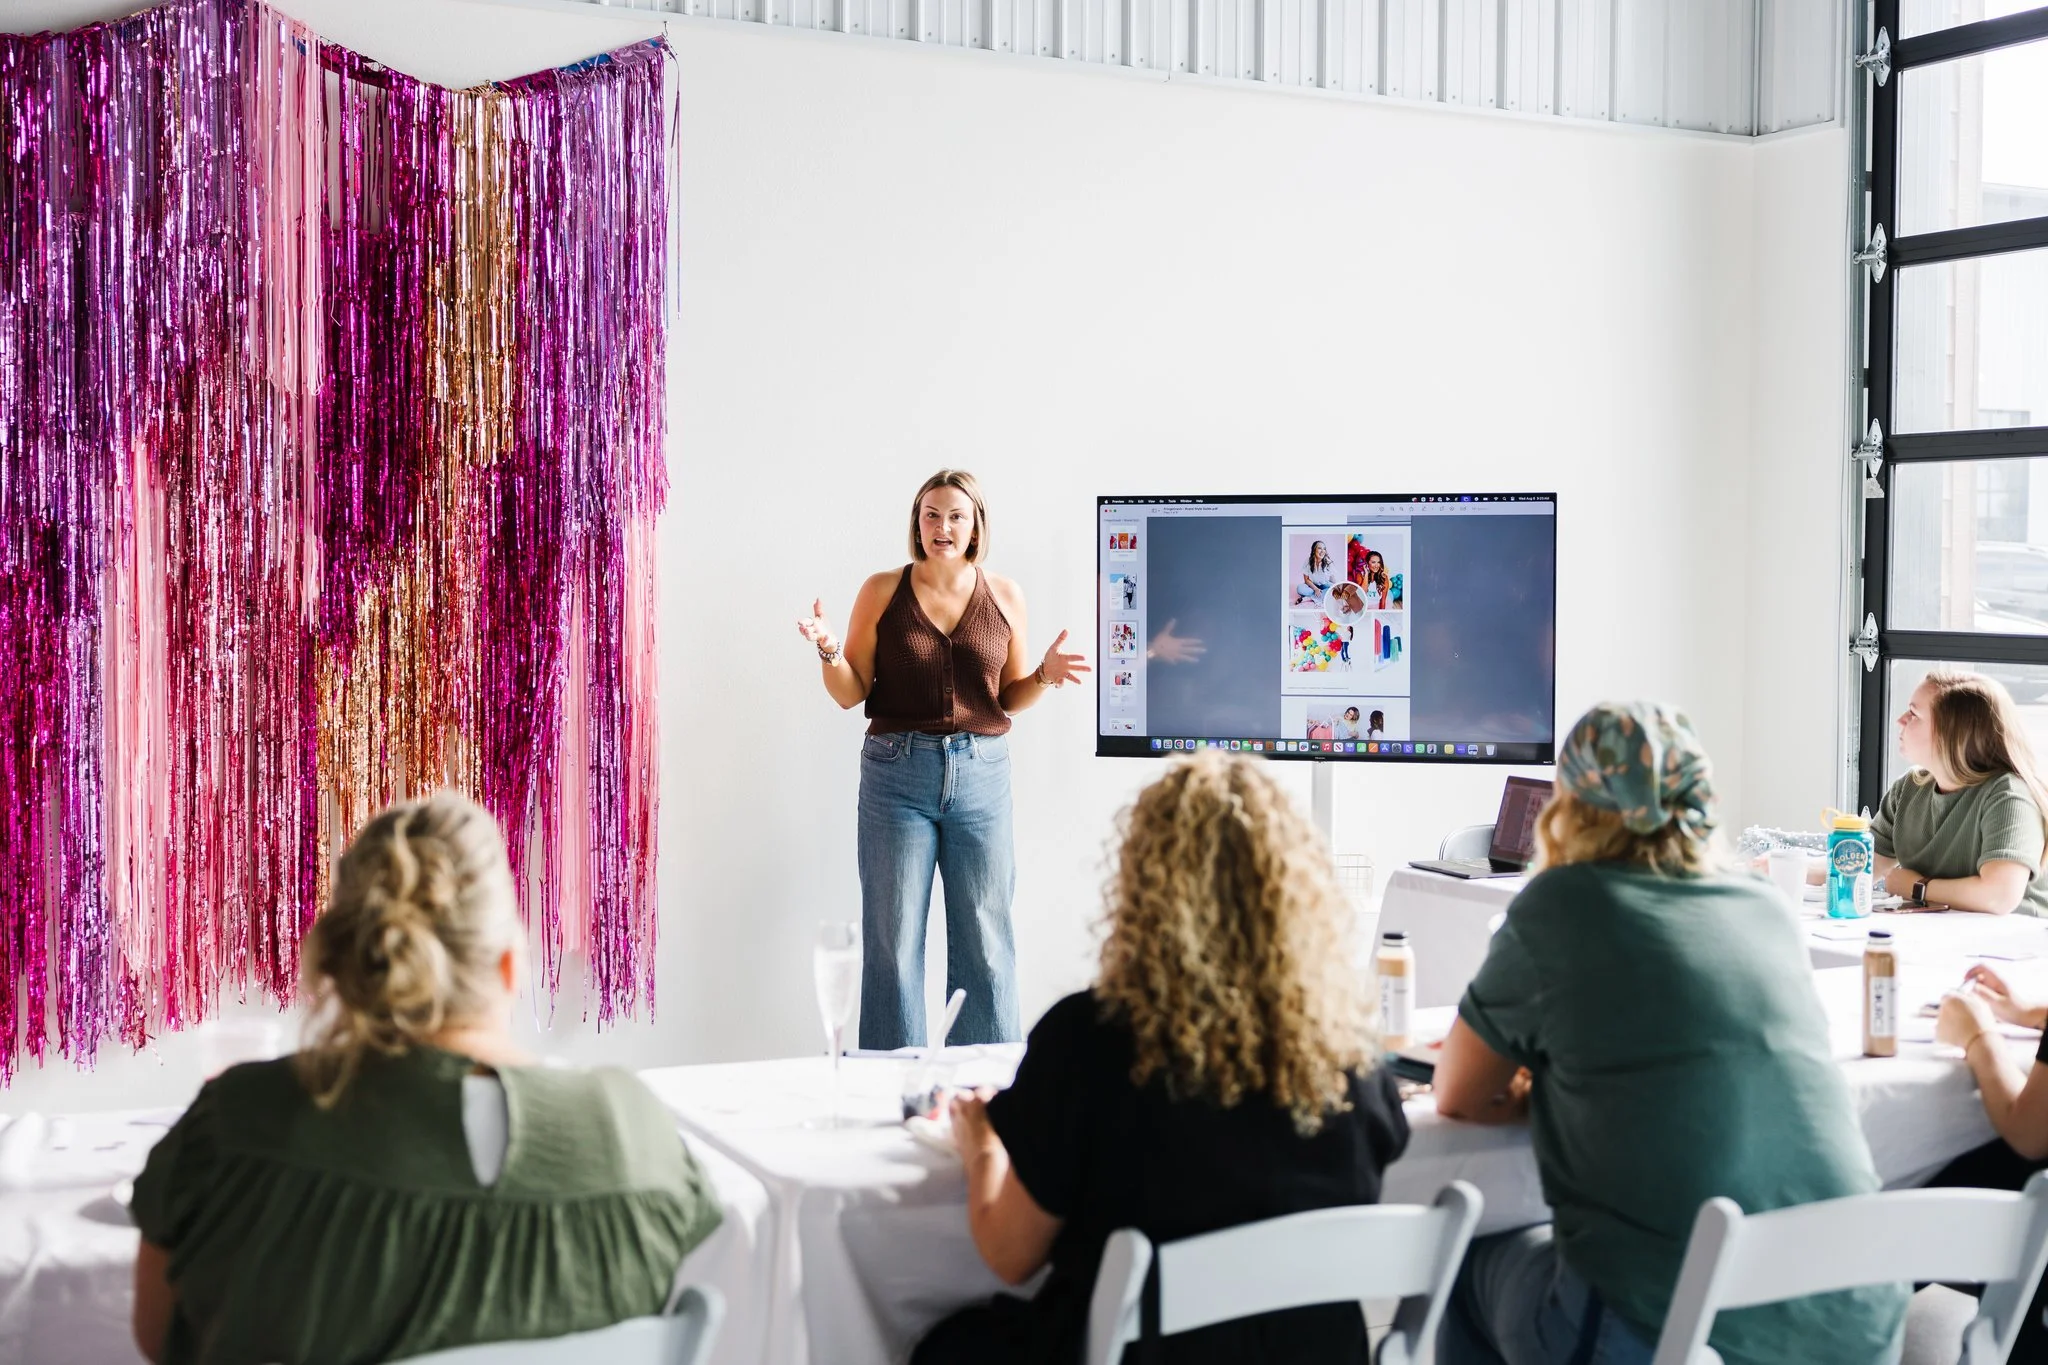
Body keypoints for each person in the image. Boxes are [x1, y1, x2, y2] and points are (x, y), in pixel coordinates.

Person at [129, 793, 722, 1365]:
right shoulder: (639, 1136)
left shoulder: (237, 1122)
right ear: (509, 968)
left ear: (350, 965)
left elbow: (158, 1335)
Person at [1433, 702, 1905, 1365]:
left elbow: (1457, 1093)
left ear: (1568, 804)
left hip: (1670, 1333)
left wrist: (1556, 1092)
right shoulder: (1764, 905)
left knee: (1470, 1255)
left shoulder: (1562, 903)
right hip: (1857, 1328)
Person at [913, 752, 1408, 1365]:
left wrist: (982, 1138)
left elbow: (1010, 1255)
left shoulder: (1089, 1040)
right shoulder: (1350, 1054)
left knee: (945, 1348)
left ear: (1146, 888)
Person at [797, 470, 1088, 1049]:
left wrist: (1046, 678)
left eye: (956, 515)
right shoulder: (882, 590)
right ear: (917, 523)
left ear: (976, 524)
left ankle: (982, 1094)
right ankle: (890, 1092)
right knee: (894, 938)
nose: (943, 527)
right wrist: (828, 647)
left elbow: (1008, 698)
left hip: (982, 775)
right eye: (931, 515)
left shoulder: (1004, 595)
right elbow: (850, 691)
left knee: (986, 935)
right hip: (896, 774)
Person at [1873, 670, 2048, 916]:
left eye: (1913, 714)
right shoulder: (1908, 788)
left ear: (1953, 733)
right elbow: (1865, 864)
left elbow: (1999, 897)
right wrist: (1801, 866)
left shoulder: (2009, 795)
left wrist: (1916, 887)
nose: (1900, 720)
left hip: (2010, 947)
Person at [1293, 540, 1335, 606]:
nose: (1322, 551)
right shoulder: (1308, 561)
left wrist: (1336, 588)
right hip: (1311, 586)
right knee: (1300, 588)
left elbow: (1333, 579)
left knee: (1333, 589)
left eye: (1324, 549)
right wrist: (1315, 589)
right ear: (1314, 550)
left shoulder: (1328, 562)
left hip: (1324, 585)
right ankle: (1320, 596)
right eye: (1319, 548)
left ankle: (1307, 598)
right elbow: (1306, 579)